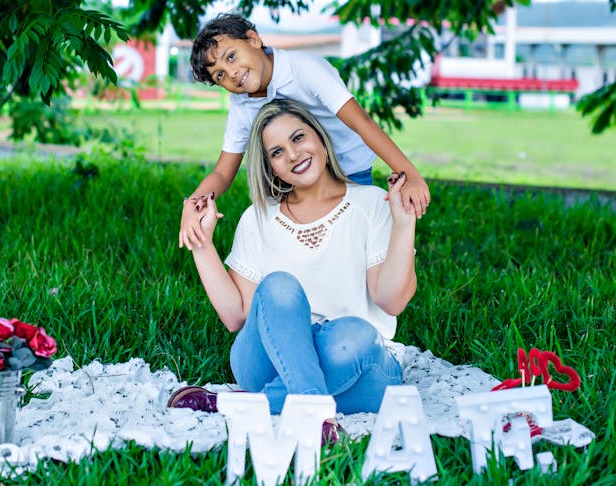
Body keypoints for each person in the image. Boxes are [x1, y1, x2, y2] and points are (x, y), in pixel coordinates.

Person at [168, 99, 417, 445]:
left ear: (321, 137)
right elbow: (236, 317)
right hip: (270, 361)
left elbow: (390, 301)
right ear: (271, 167)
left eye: (299, 138)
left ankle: (242, 403)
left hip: (359, 365)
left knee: (356, 335)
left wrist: (404, 225)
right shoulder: (258, 218)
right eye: (277, 152)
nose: (293, 154)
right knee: (280, 286)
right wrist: (202, 245)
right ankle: (313, 406)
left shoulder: (373, 204)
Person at [178, 12, 429, 251]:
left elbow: (361, 122)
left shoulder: (304, 69)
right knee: (296, 245)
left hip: (349, 171)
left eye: (231, 56)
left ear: (253, 39)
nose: (231, 73)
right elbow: (223, 171)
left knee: (356, 242)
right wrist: (193, 202)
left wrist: (410, 175)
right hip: (293, 181)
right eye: (219, 74)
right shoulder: (241, 104)